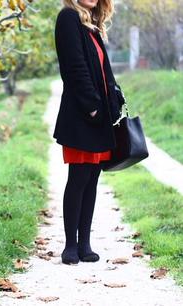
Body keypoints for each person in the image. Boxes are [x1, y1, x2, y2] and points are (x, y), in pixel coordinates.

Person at [53, 0, 124, 265]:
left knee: (92, 178)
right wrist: (92, 106)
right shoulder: (68, 18)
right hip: (83, 114)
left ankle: (85, 244)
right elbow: (73, 68)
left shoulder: (90, 24)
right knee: (78, 177)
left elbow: (102, 70)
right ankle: (70, 246)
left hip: (100, 114)